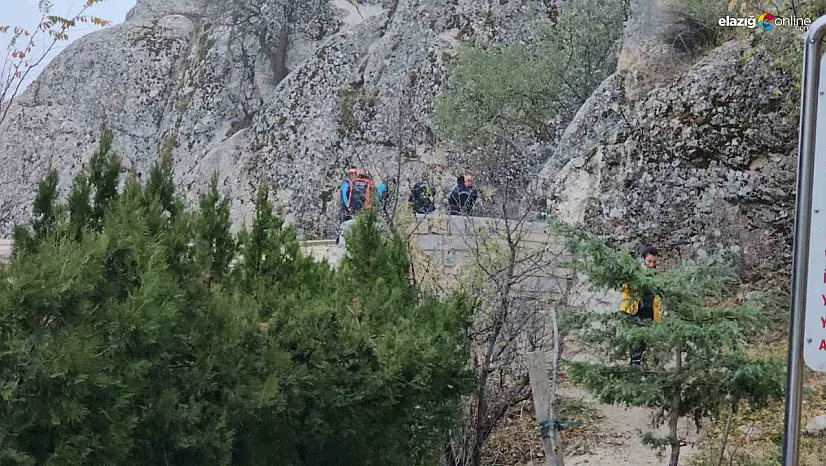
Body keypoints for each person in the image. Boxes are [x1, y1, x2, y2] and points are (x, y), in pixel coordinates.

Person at [619, 245, 662, 367]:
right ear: (643, 260)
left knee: (645, 342)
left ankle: (641, 367)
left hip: (649, 313)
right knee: (635, 341)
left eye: (654, 262)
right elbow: (624, 287)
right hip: (633, 311)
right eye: (649, 261)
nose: (652, 264)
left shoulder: (657, 276)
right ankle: (635, 367)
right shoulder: (634, 272)